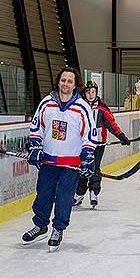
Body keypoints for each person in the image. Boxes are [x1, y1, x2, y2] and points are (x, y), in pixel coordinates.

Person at [22, 67, 97, 251]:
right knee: (43, 194)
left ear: (75, 84)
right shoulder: (47, 103)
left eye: (69, 81)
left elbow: (90, 135)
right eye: (63, 80)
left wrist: (87, 156)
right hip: (49, 161)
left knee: (64, 197)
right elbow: (36, 127)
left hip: (70, 164)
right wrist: (35, 147)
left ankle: (58, 228)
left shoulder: (82, 107)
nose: (65, 84)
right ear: (58, 82)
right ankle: (40, 226)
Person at [73, 81, 130, 208]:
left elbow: (111, 124)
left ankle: (94, 192)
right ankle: (80, 193)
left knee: (95, 167)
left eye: (93, 92)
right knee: (82, 167)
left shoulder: (102, 108)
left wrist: (121, 136)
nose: (91, 94)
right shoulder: (79, 106)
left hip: (98, 144)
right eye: (88, 92)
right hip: (82, 144)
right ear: (84, 93)